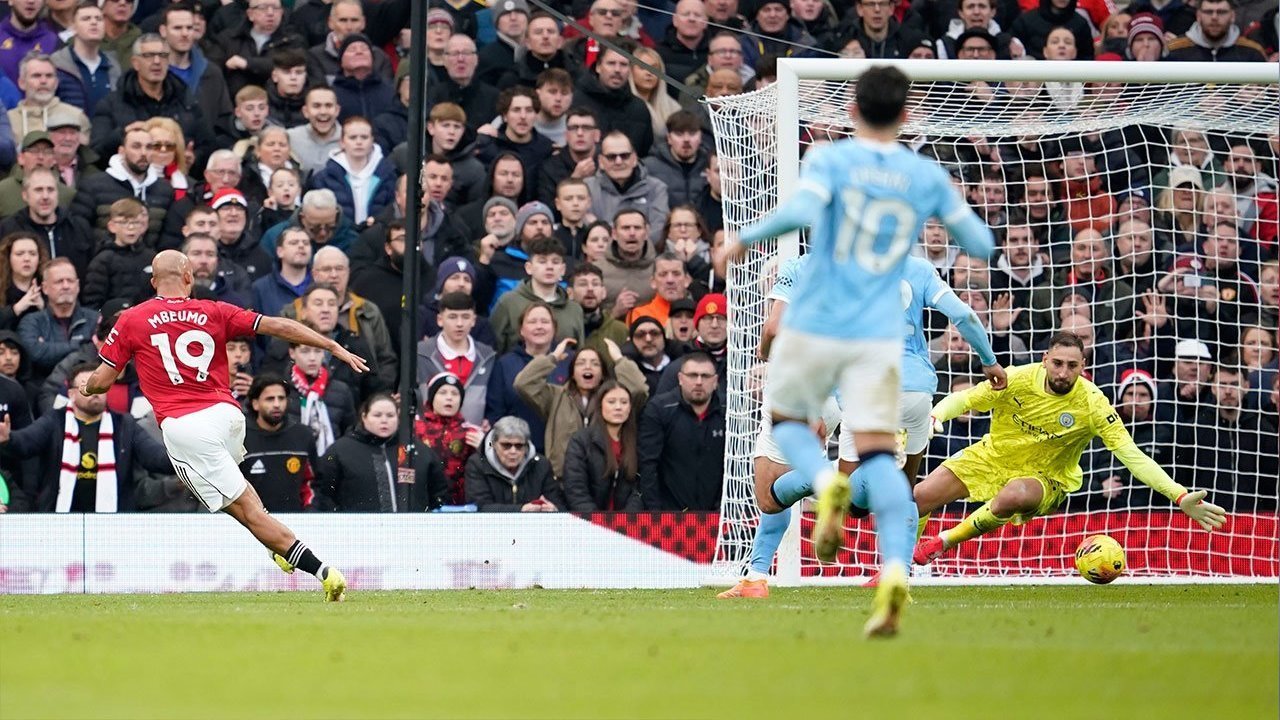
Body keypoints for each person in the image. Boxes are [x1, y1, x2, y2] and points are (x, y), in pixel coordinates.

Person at [725, 65, 995, 637]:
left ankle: (810, 503)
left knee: (781, 451)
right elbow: (980, 244)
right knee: (886, 470)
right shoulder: (923, 179)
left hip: (822, 342)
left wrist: (744, 240)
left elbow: (794, 226)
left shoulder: (828, 175)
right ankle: (893, 569)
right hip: (882, 354)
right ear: (905, 115)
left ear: (851, 111)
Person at [80, 249, 369, 600]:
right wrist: (331, 346)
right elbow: (277, 325)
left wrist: (87, 385)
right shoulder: (215, 310)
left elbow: (102, 382)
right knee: (241, 494)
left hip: (186, 429)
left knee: (244, 510)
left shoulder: (132, 319)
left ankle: (323, 571)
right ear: (189, 278)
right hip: (229, 417)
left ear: (153, 282)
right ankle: (275, 547)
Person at [718, 253, 1004, 598]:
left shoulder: (806, 266)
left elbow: (775, 329)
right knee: (897, 489)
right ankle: (894, 573)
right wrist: (989, 361)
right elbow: (963, 314)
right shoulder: (906, 266)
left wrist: (766, 354)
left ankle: (761, 569)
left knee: (771, 494)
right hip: (911, 391)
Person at [916, 333, 1229, 565]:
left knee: (1013, 495)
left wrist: (1179, 494)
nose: (1063, 372)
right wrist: (935, 415)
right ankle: (898, 570)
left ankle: (944, 541)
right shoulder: (1016, 379)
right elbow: (966, 399)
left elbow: (1131, 454)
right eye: (1057, 363)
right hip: (990, 455)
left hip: (1046, 477)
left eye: (1071, 366)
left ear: (1083, 366)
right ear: (1044, 360)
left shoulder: (1093, 404)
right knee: (918, 499)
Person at [0, 362, 173, 512]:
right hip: (61, 516)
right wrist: (9, 438)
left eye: (101, 386)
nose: (96, 391)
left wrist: (186, 458)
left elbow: (154, 458)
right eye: (87, 387)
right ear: (71, 394)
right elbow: (27, 443)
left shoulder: (124, 425)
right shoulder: (55, 420)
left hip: (114, 519)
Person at [515, 336, 648, 478]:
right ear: (572, 373)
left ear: (603, 374)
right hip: (562, 480)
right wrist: (552, 358)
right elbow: (523, 384)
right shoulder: (555, 396)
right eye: (581, 363)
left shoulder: (614, 400)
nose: (588, 366)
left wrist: (619, 360)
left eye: (595, 363)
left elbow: (639, 389)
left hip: (603, 481)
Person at [318, 391, 447, 512]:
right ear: (364, 416)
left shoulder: (416, 450)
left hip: (410, 531)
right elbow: (323, 493)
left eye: (390, 415)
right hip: (358, 531)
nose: (384, 420)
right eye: (377, 415)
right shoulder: (341, 451)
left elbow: (439, 493)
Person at [637, 351, 725, 511]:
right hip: (669, 515)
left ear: (715, 381)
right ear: (680, 379)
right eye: (692, 375)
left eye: (705, 376)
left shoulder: (728, 412)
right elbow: (648, 465)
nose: (699, 382)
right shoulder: (659, 409)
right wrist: (655, 513)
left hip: (717, 515)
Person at [240, 373, 324, 512]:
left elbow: (313, 482)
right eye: (270, 399)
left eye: (281, 398)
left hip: (295, 522)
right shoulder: (242, 438)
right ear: (255, 404)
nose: (277, 404)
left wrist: (310, 510)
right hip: (253, 524)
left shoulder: (303, 435)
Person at [562, 380, 643, 511]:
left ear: (630, 408)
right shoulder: (581, 441)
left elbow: (639, 490)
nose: (618, 407)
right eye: (611, 402)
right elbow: (576, 489)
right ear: (600, 406)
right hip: (590, 523)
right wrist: (599, 523)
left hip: (627, 524)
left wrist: (627, 520)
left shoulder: (637, 441)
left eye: (624, 402)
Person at [464, 415, 565, 512]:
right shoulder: (477, 464)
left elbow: (560, 505)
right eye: (506, 445)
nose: (513, 451)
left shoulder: (541, 465)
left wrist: (553, 509)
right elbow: (479, 507)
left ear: (526, 446)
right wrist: (520, 510)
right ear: (494, 444)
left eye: (519, 446)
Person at [414, 372, 484, 506]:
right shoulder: (414, 427)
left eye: (455, 394)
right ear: (432, 397)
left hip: (458, 504)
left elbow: (494, 448)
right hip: (422, 499)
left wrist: (486, 446)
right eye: (443, 393)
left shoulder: (471, 430)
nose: (449, 398)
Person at [81, 198, 154, 308]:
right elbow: (93, 302)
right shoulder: (103, 260)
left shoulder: (152, 257)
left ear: (143, 226)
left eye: (135, 222)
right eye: (124, 222)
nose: (131, 227)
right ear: (112, 226)